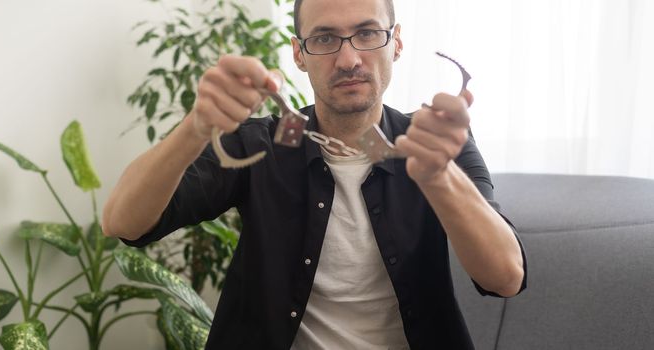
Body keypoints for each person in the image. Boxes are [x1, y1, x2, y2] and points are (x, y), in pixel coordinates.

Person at [103, 0, 527, 348]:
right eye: (324, 38)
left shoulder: (436, 141)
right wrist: (196, 127)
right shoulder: (262, 145)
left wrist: (438, 177)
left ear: (395, 43)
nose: (348, 59)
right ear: (299, 54)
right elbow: (123, 222)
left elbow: (505, 277)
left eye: (366, 33)